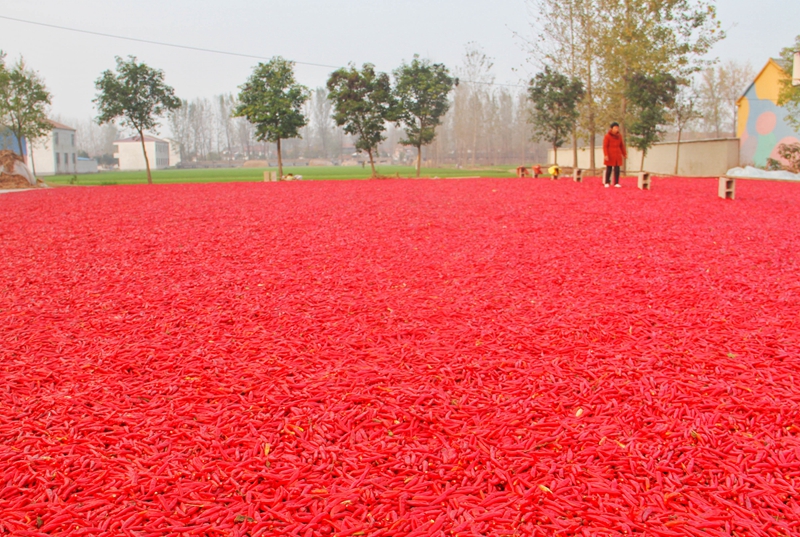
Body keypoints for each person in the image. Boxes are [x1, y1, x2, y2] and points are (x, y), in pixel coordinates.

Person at [603, 122, 626, 188]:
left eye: (617, 128)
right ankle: (607, 182)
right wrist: (606, 154)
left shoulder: (619, 136)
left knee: (617, 169)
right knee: (609, 168)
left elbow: (621, 146)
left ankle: (616, 182)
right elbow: (605, 146)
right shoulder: (607, 136)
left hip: (617, 154)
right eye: (615, 128)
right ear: (611, 128)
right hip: (610, 154)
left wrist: (624, 154)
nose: (617, 129)